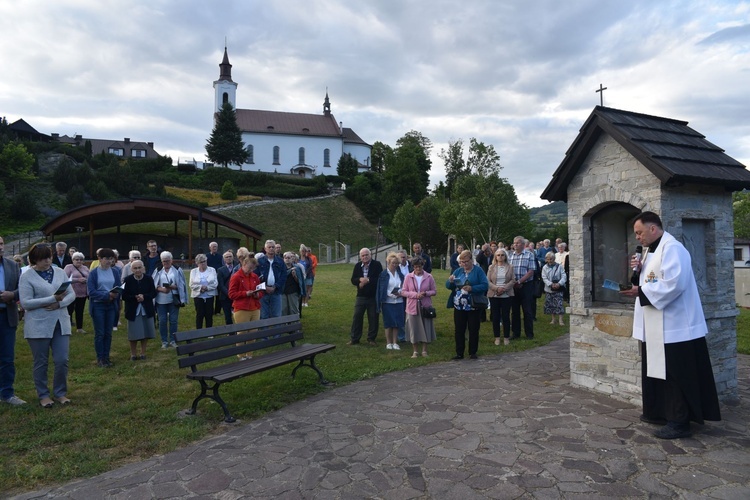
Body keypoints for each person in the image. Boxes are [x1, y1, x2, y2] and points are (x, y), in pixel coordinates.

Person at [620, 211, 721, 439]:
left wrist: (641, 291)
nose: (637, 237)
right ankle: (660, 412)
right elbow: (650, 280)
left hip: (676, 327)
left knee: (675, 375)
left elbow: (674, 284)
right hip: (658, 324)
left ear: (653, 228)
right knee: (659, 372)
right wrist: (638, 273)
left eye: (639, 232)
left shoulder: (673, 249)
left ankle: (680, 422)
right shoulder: (650, 252)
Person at [19, 243, 75, 407]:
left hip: (60, 321)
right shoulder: (27, 276)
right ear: (34, 260)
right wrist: (52, 299)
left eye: (49, 257)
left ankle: (60, 393)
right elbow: (26, 303)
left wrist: (59, 304)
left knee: (62, 359)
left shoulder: (59, 271)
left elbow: (71, 294)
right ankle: (43, 395)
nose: (47, 261)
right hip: (38, 325)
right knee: (41, 362)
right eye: (43, 259)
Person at [447, 250, 488, 360]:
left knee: (473, 328)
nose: (464, 264)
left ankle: (472, 352)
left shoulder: (478, 270)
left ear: (471, 260)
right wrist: (450, 281)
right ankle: (459, 352)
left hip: (473, 304)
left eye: (466, 261)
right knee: (459, 329)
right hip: (459, 305)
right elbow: (448, 286)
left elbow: (485, 285)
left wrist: (472, 288)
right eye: (462, 262)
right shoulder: (458, 271)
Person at [0, 236, 25, 406]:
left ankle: (7, 393)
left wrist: (12, 295)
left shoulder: (12, 265)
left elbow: (21, 288)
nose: (0, 247)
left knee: (7, 358)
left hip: (7, 316)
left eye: (1, 243)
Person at [87, 248, 122, 367]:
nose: (109, 261)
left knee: (108, 332)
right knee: (100, 333)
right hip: (98, 305)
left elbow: (118, 287)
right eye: (106, 258)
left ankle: (106, 357)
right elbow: (91, 292)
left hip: (111, 305)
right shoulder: (93, 273)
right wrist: (107, 295)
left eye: (111, 258)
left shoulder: (115, 272)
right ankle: (100, 358)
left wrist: (116, 294)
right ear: (100, 259)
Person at [401, 256, 437, 358]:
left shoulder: (429, 277)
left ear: (423, 266)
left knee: (426, 327)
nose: (418, 269)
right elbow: (403, 292)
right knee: (414, 328)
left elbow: (434, 291)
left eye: (420, 266)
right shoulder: (408, 277)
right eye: (416, 267)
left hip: (425, 306)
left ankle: (424, 350)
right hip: (412, 306)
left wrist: (426, 293)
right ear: (413, 267)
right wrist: (415, 295)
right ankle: (415, 351)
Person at [152, 251, 188, 348]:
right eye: (164, 261)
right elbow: (153, 285)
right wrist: (162, 289)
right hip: (161, 299)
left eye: (168, 261)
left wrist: (172, 287)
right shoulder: (158, 270)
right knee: (162, 320)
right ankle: (164, 341)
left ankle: (173, 340)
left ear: (171, 260)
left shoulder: (177, 269)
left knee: (173, 320)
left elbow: (181, 285)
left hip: (173, 299)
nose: (166, 263)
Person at [122, 260, 156, 360]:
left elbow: (153, 293)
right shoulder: (127, 280)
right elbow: (124, 296)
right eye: (135, 268)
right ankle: (133, 353)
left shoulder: (149, 279)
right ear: (132, 269)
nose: (138, 270)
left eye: (139, 267)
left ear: (143, 268)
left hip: (146, 309)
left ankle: (143, 352)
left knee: (145, 331)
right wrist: (135, 297)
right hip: (133, 310)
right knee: (133, 333)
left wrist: (144, 297)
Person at [348, 248, 382, 346]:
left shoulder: (377, 265)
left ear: (370, 255)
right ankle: (355, 338)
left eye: (366, 255)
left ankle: (371, 338)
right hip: (361, 296)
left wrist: (368, 280)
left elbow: (379, 279)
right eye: (363, 256)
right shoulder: (358, 266)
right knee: (357, 317)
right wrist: (359, 280)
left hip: (373, 296)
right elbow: (353, 280)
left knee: (373, 318)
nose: (365, 257)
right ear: (360, 257)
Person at [508, 236, 536, 339]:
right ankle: (516, 333)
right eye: (514, 243)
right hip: (513, 286)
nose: (515, 244)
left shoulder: (529, 255)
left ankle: (529, 334)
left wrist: (520, 281)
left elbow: (531, 272)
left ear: (523, 245)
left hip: (526, 286)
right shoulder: (510, 256)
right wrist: (513, 282)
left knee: (527, 310)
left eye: (518, 243)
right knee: (514, 311)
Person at [376, 252, 405, 350]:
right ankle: (388, 342)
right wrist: (389, 294)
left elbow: (403, 285)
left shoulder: (399, 274)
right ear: (388, 262)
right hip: (388, 301)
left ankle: (395, 342)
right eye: (393, 263)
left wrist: (399, 292)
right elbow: (382, 288)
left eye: (397, 263)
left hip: (399, 300)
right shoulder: (384, 274)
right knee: (388, 322)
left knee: (397, 322)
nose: (395, 265)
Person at [487, 249, 515, 346]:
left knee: (506, 317)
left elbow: (513, 280)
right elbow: (488, 281)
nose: (500, 257)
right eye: (498, 255)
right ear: (495, 256)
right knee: (495, 317)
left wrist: (504, 289)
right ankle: (497, 337)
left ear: (505, 256)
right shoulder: (491, 267)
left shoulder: (510, 267)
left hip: (506, 295)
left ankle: (506, 337)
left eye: (502, 255)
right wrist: (497, 288)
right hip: (494, 295)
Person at [256, 240, 287, 319]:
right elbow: (256, 276)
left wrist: (275, 286)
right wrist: (265, 287)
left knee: (277, 315)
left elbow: (283, 276)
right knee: (263, 315)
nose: (271, 249)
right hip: (263, 292)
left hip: (276, 291)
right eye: (269, 247)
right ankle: (265, 331)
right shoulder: (260, 261)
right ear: (265, 249)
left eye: (273, 247)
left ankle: (277, 331)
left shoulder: (280, 261)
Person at [189, 254, 218, 329]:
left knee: (209, 314)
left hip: (209, 295)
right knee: (199, 314)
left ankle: (209, 332)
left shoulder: (212, 270)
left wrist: (207, 288)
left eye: (204, 261)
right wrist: (200, 288)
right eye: (201, 262)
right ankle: (199, 331)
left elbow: (215, 283)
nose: (203, 263)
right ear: (197, 263)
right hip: (198, 296)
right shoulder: (193, 271)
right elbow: (191, 285)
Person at [64, 251, 89, 334]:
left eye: (81, 259)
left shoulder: (85, 268)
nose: (79, 261)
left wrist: (86, 280)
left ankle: (79, 328)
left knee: (80, 311)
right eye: (77, 259)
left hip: (82, 293)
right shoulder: (69, 267)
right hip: (71, 293)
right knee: (69, 311)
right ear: (73, 260)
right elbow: (64, 279)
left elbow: (90, 278)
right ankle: (66, 328)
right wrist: (77, 280)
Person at [541, 252, 566, 326]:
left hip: (558, 288)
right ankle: (553, 319)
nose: (549, 260)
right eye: (548, 259)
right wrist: (551, 284)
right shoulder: (545, 267)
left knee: (559, 304)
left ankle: (561, 320)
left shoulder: (559, 266)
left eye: (551, 259)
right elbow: (544, 277)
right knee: (551, 304)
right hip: (549, 288)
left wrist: (559, 283)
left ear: (554, 259)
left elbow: (564, 276)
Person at [281, 251, 305, 316]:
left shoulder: (297, 268)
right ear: (283, 259)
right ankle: (284, 325)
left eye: (290, 257)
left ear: (293, 259)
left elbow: (300, 281)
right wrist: (289, 271)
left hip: (293, 291)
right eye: (286, 257)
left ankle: (294, 324)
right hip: (283, 291)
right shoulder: (280, 268)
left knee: (293, 310)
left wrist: (295, 276)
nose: (287, 259)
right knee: (283, 310)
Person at [217, 250, 236, 325]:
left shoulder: (237, 268)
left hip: (236, 296)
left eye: (230, 256)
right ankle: (231, 332)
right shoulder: (220, 270)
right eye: (226, 257)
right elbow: (220, 285)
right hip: (225, 296)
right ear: (224, 259)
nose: (228, 258)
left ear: (233, 258)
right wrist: (229, 294)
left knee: (238, 315)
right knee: (228, 316)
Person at [206, 242, 223, 315]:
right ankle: (210, 310)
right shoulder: (206, 256)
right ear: (210, 248)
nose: (214, 248)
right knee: (210, 294)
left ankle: (217, 311)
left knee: (219, 295)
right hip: (210, 277)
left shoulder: (220, 256)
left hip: (218, 276)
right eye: (213, 246)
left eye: (216, 246)